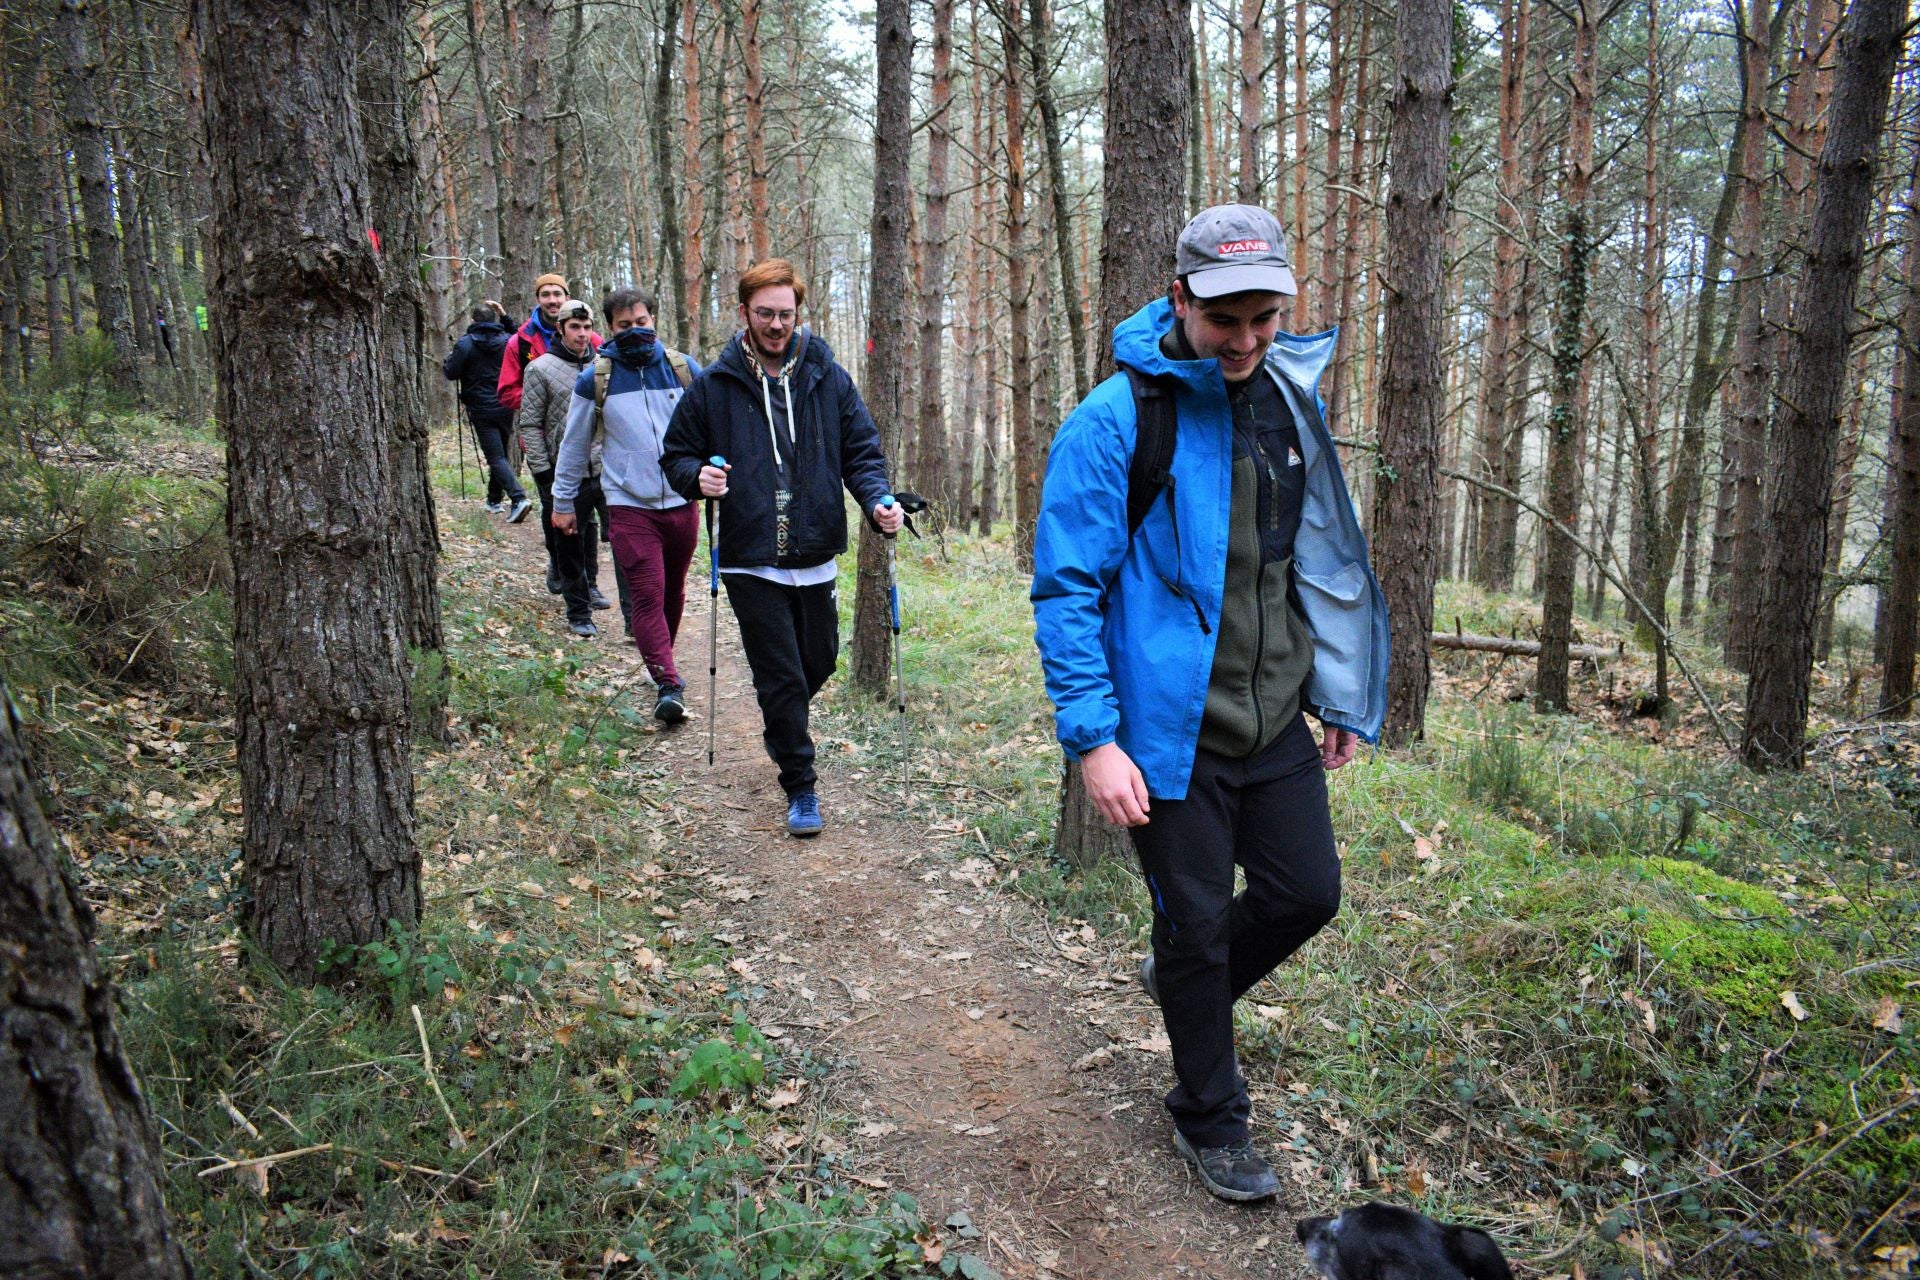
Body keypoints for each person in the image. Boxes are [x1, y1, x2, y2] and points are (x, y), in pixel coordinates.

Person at [1030, 205, 1388, 1203]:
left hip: (1271, 715)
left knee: (1307, 891)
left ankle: (1189, 990)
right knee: (1193, 926)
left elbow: (1311, 563)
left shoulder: (1285, 403)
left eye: (1264, 317)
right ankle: (1208, 1111)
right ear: (1180, 298)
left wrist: (1342, 694)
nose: (1245, 339)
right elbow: (1067, 589)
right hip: (1163, 734)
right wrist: (1094, 740)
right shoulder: (1115, 420)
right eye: (1226, 317)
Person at [661, 259, 903, 836]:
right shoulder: (715, 386)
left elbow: (862, 454)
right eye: (765, 314)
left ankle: (781, 720)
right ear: (744, 313)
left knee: (815, 662)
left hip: (815, 548)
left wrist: (876, 502)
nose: (775, 325)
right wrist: (699, 478)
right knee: (783, 677)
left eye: (785, 314)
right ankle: (801, 786)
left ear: (799, 314)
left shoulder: (828, 377)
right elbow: (675, 456)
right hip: (749, 555)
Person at [551, 288, 702, 723]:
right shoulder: (594, 380)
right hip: (629, 505)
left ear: (654, 318)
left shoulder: (683, 369)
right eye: (624, 325)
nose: (635, 331)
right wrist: (563, 501)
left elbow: (712, 428)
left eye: (641, 322)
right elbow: (574, 446)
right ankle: (668, 683)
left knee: (673, 591)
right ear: (610, 329)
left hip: (681, 500)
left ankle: (662, 663)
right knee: (647, 594)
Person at [518, 298, 609, 636]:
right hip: (563, 470)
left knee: (602, 533)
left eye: (587, 328)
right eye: (575, 327)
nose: (582, 334)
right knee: (569, 539)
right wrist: (543, 472)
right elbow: (529, 424)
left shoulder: (603, 366)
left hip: (603, 468)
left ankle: (597, 588)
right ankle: (578, 611)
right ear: (560, 328)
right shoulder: (539, 368)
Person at [443, 302, 533, 522]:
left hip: (481, 408)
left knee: (495, 456)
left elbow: (451, 372)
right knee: (499, 453)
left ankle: (518, 497)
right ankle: (494, 500)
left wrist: (449, 359)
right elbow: (518, 340)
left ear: (473, 321)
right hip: (504, 405)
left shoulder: (465, 344)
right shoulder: (505, 341)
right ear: (494, 321)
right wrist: (505, 316)